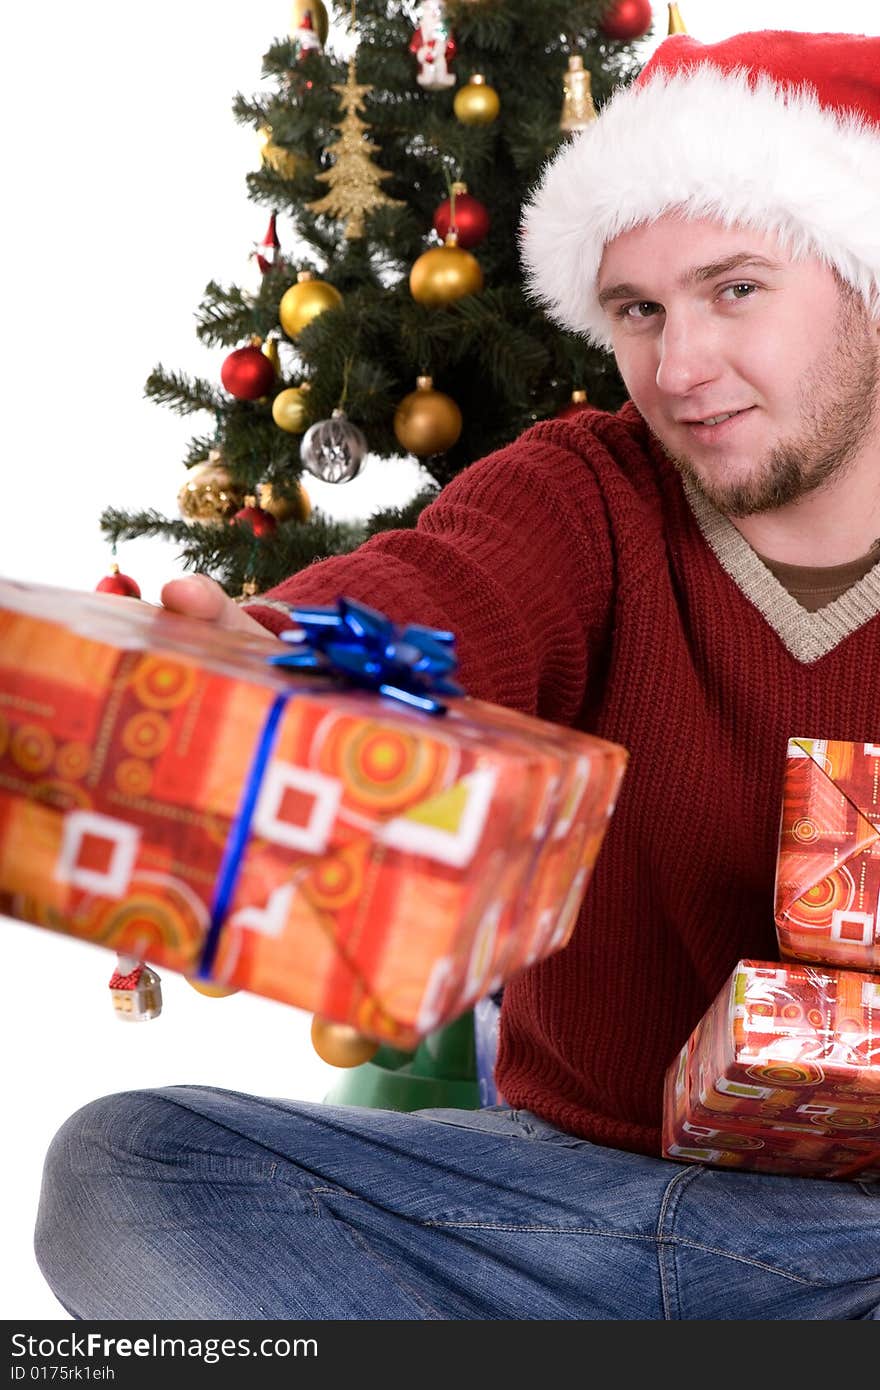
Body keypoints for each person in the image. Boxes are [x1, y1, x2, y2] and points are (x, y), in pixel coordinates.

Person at [34, 30, 880, 1319]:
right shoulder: (586, 488)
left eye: (735, 289)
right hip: (542, 1206)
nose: (679, 366)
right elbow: (445, 593)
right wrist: (264, 660)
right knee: (129, 1166)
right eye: (638, 310)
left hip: (857, 1254)